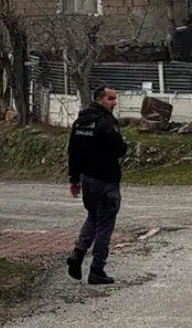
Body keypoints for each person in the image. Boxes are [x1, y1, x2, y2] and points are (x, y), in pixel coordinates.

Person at [66, 85, 127, 285]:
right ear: (100, 99)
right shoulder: (106, 122)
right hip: (106, 180)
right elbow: (119, 148)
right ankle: (97, 270)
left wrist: (74, 179)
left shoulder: (80, 122)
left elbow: (72, 152)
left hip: (87, 180)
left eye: (115, 98)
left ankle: (78, 253)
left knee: (93, 216)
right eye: (110, 98)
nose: (114, 102)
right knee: (105, 225)